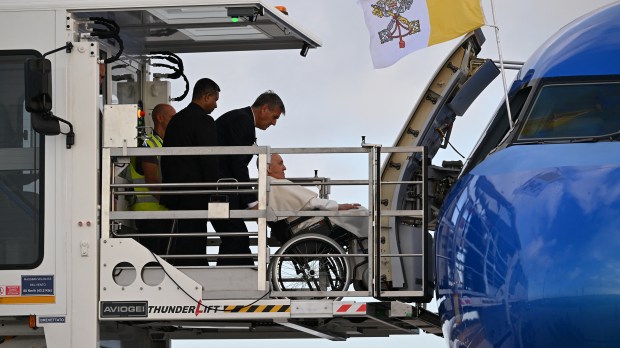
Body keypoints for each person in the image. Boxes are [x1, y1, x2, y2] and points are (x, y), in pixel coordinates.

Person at [212, 91, 286, 266]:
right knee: (236, 238)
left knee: (236, 238)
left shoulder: (242, 119)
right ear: (264, 109)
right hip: (219, 192)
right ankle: (231, 280)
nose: (274, 123)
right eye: (274, 117)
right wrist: (251, 202)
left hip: (223, 190)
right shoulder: (242, 121)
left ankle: (242, 277)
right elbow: (237, 163)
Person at [160, 78, 221, 265]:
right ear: (206, 96)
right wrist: (215, 189)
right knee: (195, 237)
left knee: (180, 237)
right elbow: (209, 158)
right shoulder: (204, 121)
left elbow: (166, 156)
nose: (216, 105)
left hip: (174, 191)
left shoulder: (176, 121)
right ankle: (194, 271)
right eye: (215, 99)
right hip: (196, 192)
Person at [265, 153, 369, 240]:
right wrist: (338, 206)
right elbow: (310, 202)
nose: (284, 167)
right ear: (268, 168)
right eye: (280, 163)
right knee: (361, 212)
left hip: (299, 224)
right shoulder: (276, 184)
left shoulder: (267, 186)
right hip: (304, 225)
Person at [128, 103, 176, 254]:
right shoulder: (148, 145)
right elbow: (152, 181)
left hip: (164, 214)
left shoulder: (165, 145)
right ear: (160, 118)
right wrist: (174, 202)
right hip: (150, 216)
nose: (175, 121)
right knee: (155, 262)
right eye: (172, 117)